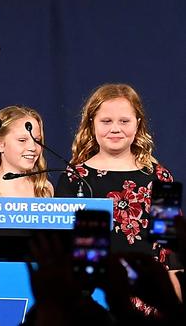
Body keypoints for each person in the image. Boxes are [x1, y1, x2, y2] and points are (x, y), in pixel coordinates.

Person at [55, 83, 182, 313]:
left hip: (150, 297)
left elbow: (172, 248)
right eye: (106, 121)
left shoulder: (159, 175)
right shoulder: (74, 178)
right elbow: (63, 246)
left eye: (124, 121)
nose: (115, 129)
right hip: (94, 299)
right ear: (91, 123)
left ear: (138, 124)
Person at [0, 106, 53, 198]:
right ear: (0, 144)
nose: (33, 147)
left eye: (37, 140)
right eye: (22, 140)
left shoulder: (45, 189)